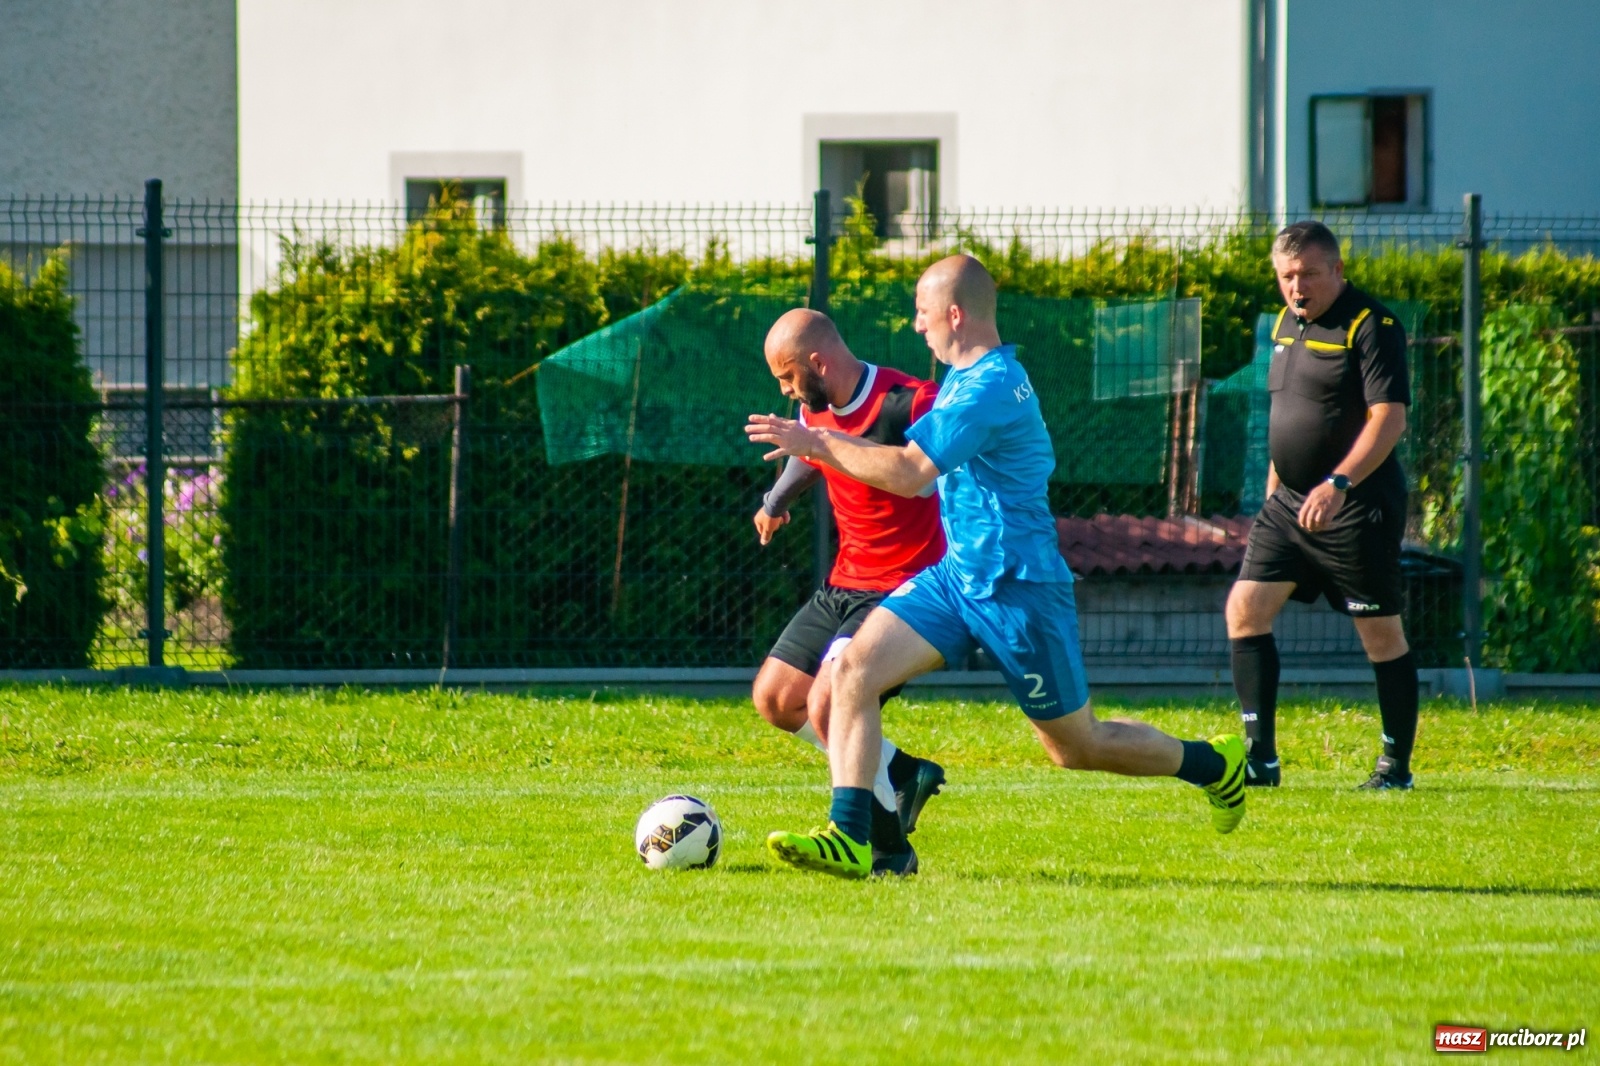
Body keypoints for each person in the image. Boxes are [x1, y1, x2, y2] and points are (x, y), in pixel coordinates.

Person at [746, 256, 1246, 879]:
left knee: (1076, 746)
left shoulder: (987, 387)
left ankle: (1212, 764)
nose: (916, 325)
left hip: (1019, 590)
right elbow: (894, 451)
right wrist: (808, 455)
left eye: (924, 314)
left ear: (954, 314)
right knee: (849, 669)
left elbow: (908, 474)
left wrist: (817, 443)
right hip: (956, 579)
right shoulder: (962, 377)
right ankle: (853, 838)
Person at [750, 308, 949, 876]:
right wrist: (775, 502)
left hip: (906, 588)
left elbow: (927, 476)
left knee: (829, 702)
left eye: (788, 378)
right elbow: (811, 450)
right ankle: (901, 772)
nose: (788, 392)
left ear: (818, 361)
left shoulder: (911, 402)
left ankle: (887, 851)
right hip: (845, 579)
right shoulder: (816, 405)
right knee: (776, 698)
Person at [1226, 220, 1418, 790]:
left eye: (1308, 273)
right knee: (1244, 611)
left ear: (1336, 269)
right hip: (1286, 505)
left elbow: (1390, 418)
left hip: (1354, 505)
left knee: (1380, 637)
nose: (1297, 285)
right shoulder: (1286, 323)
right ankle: (1260, 759)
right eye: (1287, 275)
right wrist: (1272, 493)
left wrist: (1338, 484)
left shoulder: (1372, 325)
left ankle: (1394, 769)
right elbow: (1290, 416)